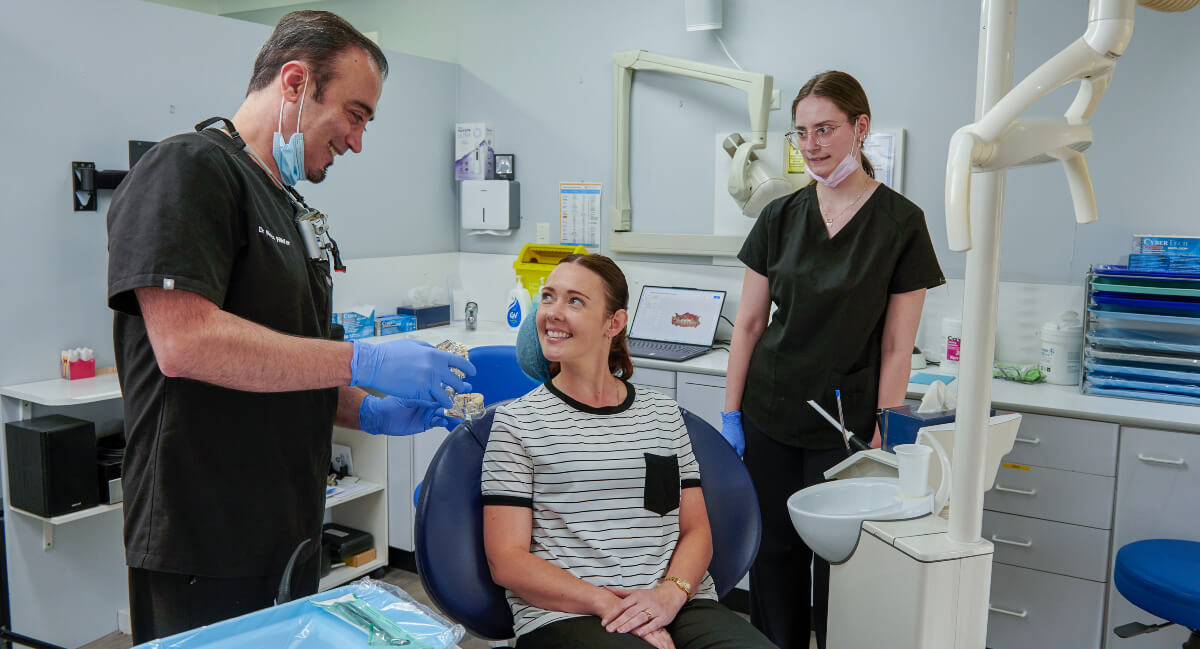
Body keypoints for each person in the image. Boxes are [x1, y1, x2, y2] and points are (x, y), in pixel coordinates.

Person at [105, 11, 474, 643]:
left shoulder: (287, 204)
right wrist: (364, 361)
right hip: (204, 533)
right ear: (297, 82)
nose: (357, 141)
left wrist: (372, 410)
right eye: (355, 115)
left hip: (287, 524)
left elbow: (293, 359)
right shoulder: (188, 169)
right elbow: (185, 344)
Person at [720, 71, 946, 649]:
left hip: (845, 426)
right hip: (770, 411)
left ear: (860, 128)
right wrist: (732, 415)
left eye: (825, 129)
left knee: (842, 563)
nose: (812, 144)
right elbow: (748, 325)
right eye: (801, 133)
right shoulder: (780, 215)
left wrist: (885, 430)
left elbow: (898, 346)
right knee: (772, 556)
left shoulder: (901, 224)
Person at [482, 255, 776, 649]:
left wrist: (670, 594)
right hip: (566, 613)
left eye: (574, 301)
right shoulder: (517, 423)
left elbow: (696, 531)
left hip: (674, 604)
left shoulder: (663, 414)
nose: (553, 312)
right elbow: (507, 559)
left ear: (614, 323)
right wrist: (607, 604)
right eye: (548, 297)